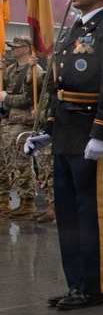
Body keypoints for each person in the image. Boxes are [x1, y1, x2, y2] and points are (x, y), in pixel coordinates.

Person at [24, 0, 103, 310]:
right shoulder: (72, 30)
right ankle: (77, 284)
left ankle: (98, 286)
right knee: (69, 215)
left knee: (91, 213)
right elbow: (61, 89)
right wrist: (47, 131)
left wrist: (102, 133)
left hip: (90, 135)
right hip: (66, 134)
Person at [0, 36, 44, 218]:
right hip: (8, 121)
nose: (12, 49)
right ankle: (4, 199)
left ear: (26, 49)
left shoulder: (34, 71)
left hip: (22, 122)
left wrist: (6, 98)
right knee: (5, 162)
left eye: (16, 47)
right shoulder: (10, 69)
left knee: (21, 163)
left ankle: (27, 200)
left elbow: (29, 99)